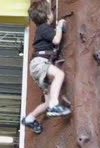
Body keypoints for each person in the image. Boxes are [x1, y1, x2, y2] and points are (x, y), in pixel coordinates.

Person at [22, 0, 71, 134]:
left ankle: (30, 118)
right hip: (40, 63)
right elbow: (56, 40)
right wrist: (60, 26)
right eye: (51, 12)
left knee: (46, 101)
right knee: (59, 75)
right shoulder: (44, 29)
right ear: (48, 15)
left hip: (39, 65)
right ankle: (55, 105)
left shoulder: (42, 29)